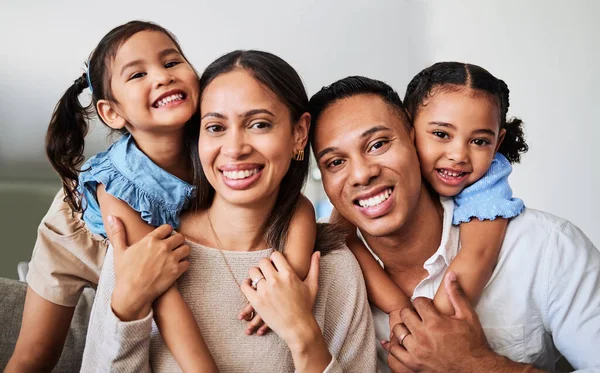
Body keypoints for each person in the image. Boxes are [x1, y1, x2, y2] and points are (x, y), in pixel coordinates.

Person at [6, 21, 315, 373]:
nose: (162, 77)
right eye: (137, 75)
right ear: (112, 112)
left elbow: (296, 205)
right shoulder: (115, 184)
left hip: (157, 236)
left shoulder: (216, 141)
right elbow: (163, 293)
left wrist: (288, 277)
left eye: (171, 63)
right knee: (35, 356)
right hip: (80, 237)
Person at [80, 50, 377, 372]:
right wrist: (128, 310)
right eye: (216, 128)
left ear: (298, 134)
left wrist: (304, 337)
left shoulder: (333, 269)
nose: (235, 148)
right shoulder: (145, 252)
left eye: (259, 124)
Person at [309, 67, 600, 372]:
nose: (361, 173)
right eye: (336, 162)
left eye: (379, 144)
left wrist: (476, 364)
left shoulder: (547, 247)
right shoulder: (327, 276)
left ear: (412, 138)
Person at [331, 62, 527, 318]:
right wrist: (399, 310)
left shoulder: (487, 185)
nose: (458, 155)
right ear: (407, 130)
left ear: (497, 142)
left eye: (479, 141)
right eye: (441, 134)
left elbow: (476, 258)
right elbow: (341, 234)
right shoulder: (375, 184)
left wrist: (428, 330)